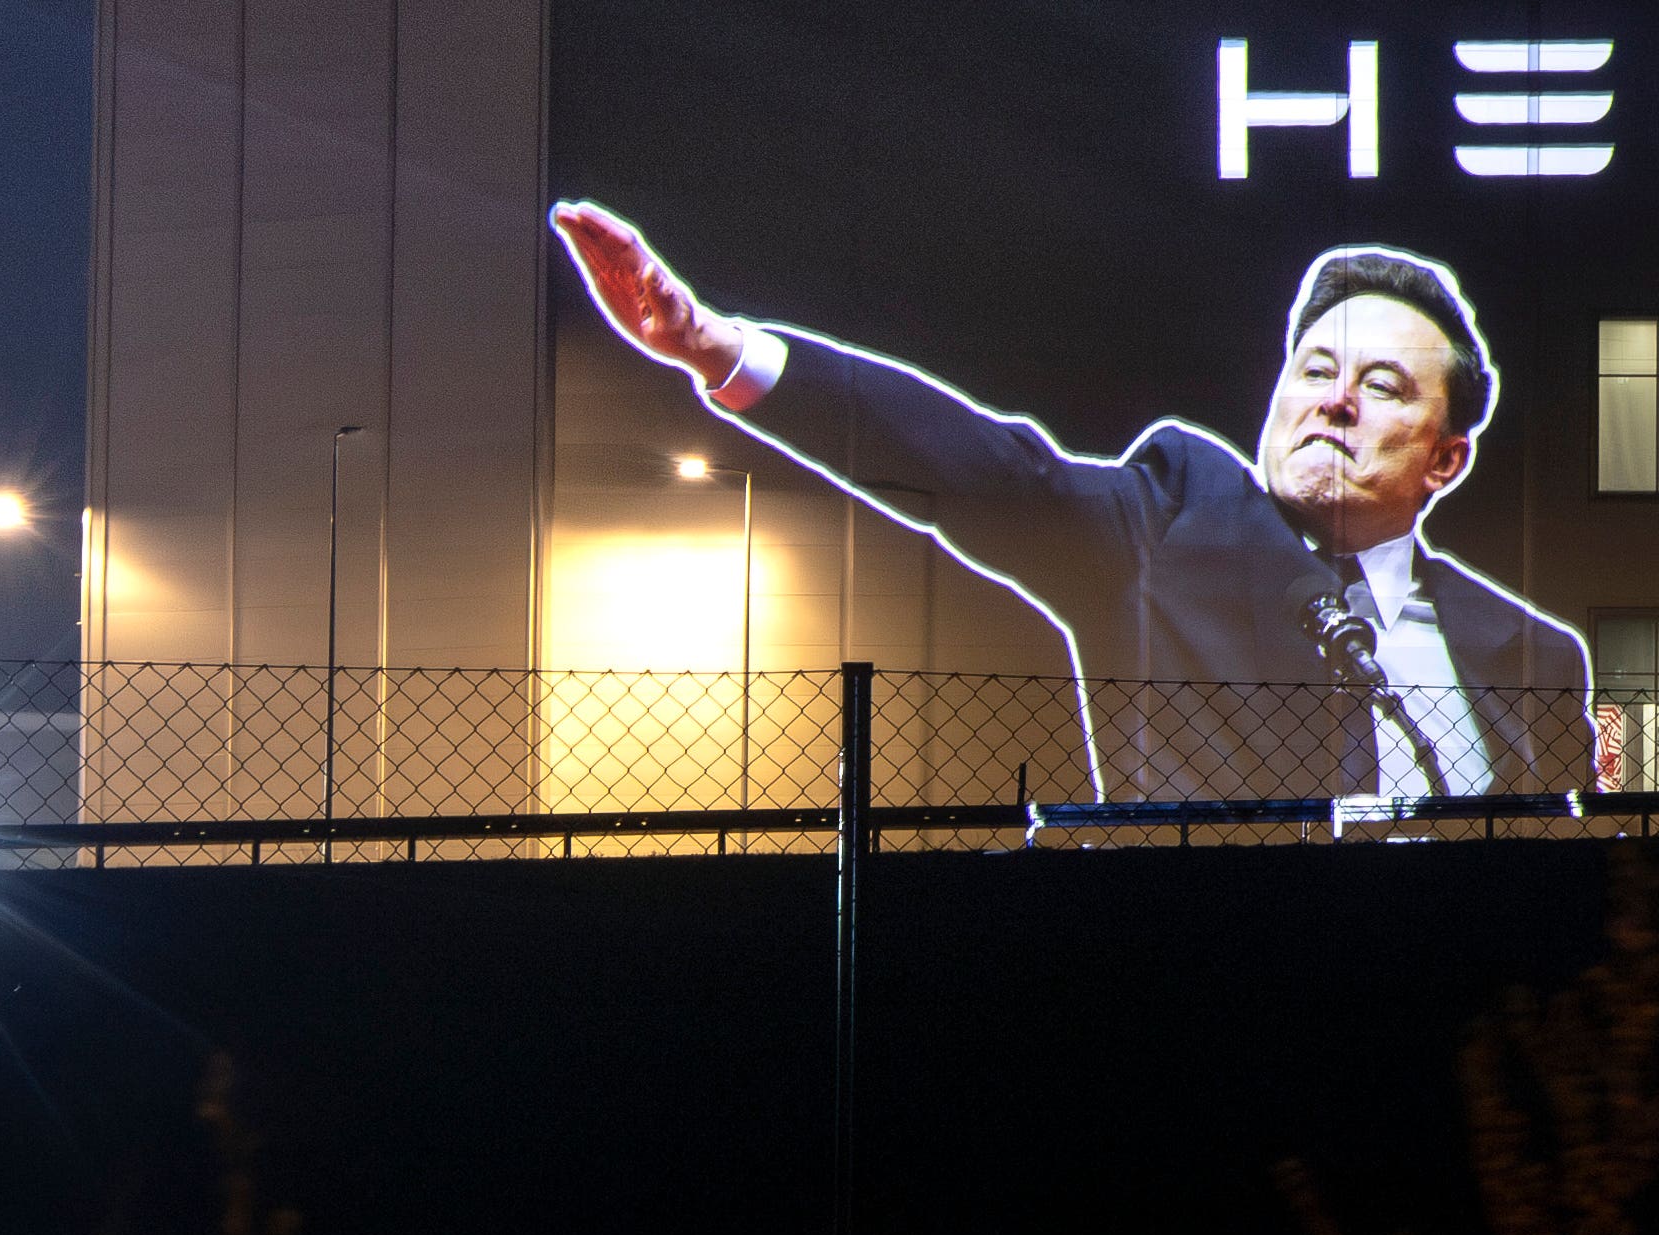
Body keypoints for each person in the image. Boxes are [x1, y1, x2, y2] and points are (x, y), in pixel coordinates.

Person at [549, 201, 1596, 811]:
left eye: (1381, 384)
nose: (1332, 396)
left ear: (1447, 456)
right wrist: (719, 349)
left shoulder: (1533, 653)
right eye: (1315, 364)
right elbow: (989, 472)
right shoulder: (1176, 515)